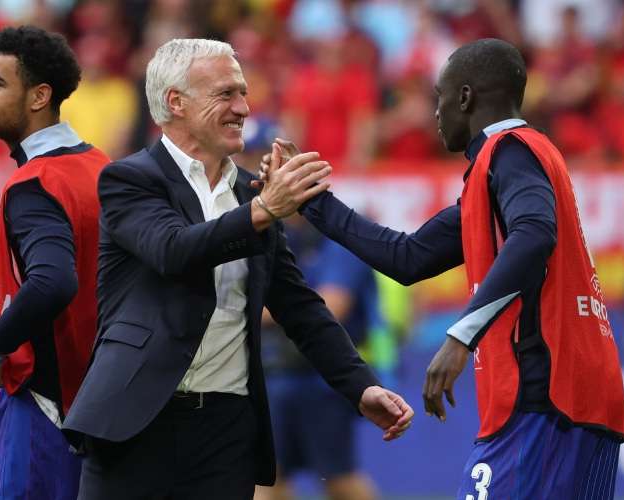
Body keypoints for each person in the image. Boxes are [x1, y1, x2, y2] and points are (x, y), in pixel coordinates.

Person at [262, 38, 624, 499]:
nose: (435, 113)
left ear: (466, 97)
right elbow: (408, 257)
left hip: (543, 397)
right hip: (585, 401)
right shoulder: (506, 171)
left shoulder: (510, 149)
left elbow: (534, 234)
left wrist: (460, 336)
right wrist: (313, 201)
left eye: (440, 97)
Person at [62, 38, 414, 500]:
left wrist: (360, 386)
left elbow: (299, 306)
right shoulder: (131, 179)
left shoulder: (252, 197)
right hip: (136, 421)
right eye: (226, 94)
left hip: (226, 431)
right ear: (176, 102)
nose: (243, 107)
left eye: (243, 93)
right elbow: (173, 250)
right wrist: (265, 209)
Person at [0, 26, 110, 499]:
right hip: (99, 413)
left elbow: (53, 283)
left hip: (45, 411)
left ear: (39, 96)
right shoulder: (102, 167)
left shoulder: (36, 183)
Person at [256, 215, 380, 500]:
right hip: (273, 375)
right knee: (267, 478)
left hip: (324, 380)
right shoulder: (269, 232)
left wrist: (256, 309)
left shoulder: (338, 237)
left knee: (340, 480)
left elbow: (333, 304)